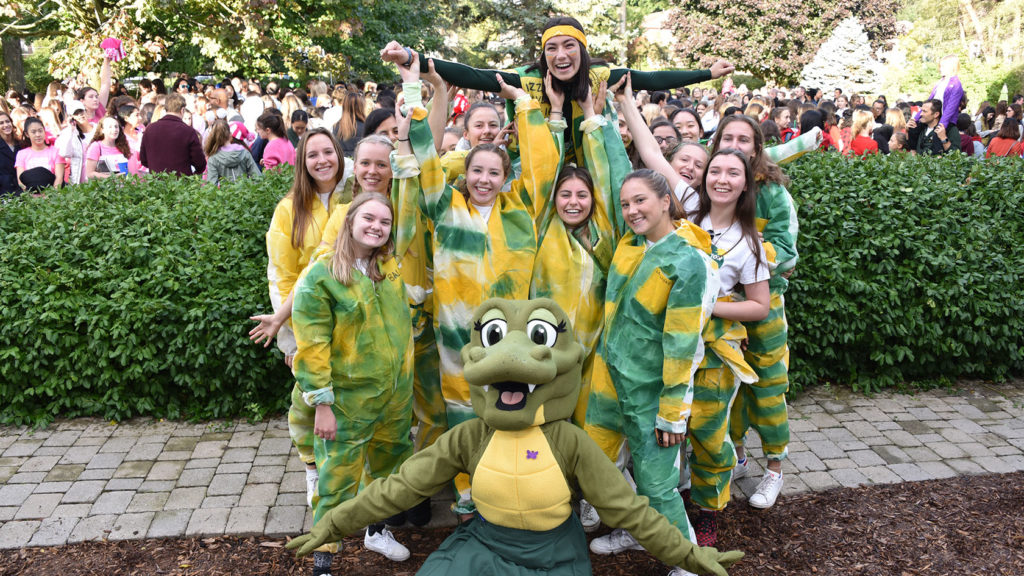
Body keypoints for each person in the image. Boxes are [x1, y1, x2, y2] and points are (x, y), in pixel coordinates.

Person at [396, 57, 558, 517]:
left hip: (509, 336)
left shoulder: (522, 213)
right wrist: (414, 86)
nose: (484, 180)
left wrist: (524, 104)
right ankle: (468, 482)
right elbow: (424, 154)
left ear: (506, 177)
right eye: (476, 171)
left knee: (506, 405)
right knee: (462, 407)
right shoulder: (445, 210)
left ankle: (506, 477)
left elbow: (546, 164)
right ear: (464, 174)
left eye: (493, 173)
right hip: (456, 333)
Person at [584, 170, 718, 576]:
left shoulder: (687, 261)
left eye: (640, 200)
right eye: (625, 204)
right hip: (610, 385)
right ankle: (640, 531)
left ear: (665, 201)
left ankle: (689, 562)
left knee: (659, 487)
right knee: (603, 467)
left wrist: (673, 411)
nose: (631, 210)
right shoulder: (630, 246)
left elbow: (683, 343)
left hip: (654, 395)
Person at [381, 15, 734, 166]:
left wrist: (707, 73)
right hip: (534, 172)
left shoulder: (600, 76)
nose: (561, 55)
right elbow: (475, 75)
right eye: (552, 48)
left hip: (590, 172)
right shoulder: (527, 79)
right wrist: (413, 57)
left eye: (569, 46)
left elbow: (652, 79)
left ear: (582, 49)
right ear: (543, 53)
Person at [290, 191, 415, 572]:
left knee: (388, 470)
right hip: (346, 402)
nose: (377, 227)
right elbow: (312, 347)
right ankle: (323, 558)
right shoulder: (321, 276)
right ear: (350, 221)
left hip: (394, 399)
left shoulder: (388, 267)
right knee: (336, 481)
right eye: (369, 219)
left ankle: (376, 531)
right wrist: (322, 406)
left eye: (385, 222)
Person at [249, 128, 346, 509]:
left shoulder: (355, 198)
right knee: (308, 401)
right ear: (302, 163)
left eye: (328, 152)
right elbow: (281, 274)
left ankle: (348, 471)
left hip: (353, 321)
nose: (322, 161)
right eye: (312, 155)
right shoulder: (289, 209)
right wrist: (290, 338)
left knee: (350, 399)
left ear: (339, 154)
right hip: (306, 323)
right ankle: (311, 469)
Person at [710, 115, 797, 511]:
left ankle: (775, 467)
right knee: (727, 384)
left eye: (743, 139)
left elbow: (787, 254)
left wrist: (748, 250)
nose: (735, 144)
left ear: (757, 149)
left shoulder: (773, 194)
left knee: (767, 385)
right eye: (727, 137)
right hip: (722, 306)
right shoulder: (712, 185)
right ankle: (739, 458)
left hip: (765, 305)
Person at [686, 150, 769, 547]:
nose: (721, 179)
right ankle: (656, 512)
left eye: (732, 173)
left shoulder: (750, 242)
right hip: (672, 346)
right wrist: (625, 98)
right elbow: (653, 154)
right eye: (714, 170)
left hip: (716, 355)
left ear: (745, 183)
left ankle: (707, 514)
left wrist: (707, 304)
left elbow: (759, 306)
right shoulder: (686, 212)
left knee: (707, 433)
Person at [140, 93, 206, 175]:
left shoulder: (150, 129)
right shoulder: (188, 131)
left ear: (166, 109)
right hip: (182, 182)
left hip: (156, 182)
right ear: (182, 110)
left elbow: (144, 159)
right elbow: (199, 162)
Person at [204, 118, 261, 185]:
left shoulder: (213, 158)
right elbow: (258, 178)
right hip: (246, 193)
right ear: (230, 134)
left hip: (225, 194)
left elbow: (212, 185)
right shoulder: (244, 152)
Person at [15, 117, 62, 191]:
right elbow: (21, 181)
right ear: (27, 134)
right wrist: (31, 196)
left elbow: (59, 178)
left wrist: (52, 195)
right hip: (30, 197)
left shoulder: (56, 151)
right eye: (33, 132)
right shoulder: (21, 154)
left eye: (40, 131)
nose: (38, 135)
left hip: (53, 196)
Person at [84, 116, 133, 180]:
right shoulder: (96, 146)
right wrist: (111, 177)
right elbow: (90, 174)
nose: (114, 130)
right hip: (104, 187)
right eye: (110, 127)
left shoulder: (123, 146)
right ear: (102, 130)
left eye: (116, 126)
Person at [0, 111, 19, 196]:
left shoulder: (20, 144)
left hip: (22, 191)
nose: (6, 125)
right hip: (4, 193)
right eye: (1, 123)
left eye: (7, 121)